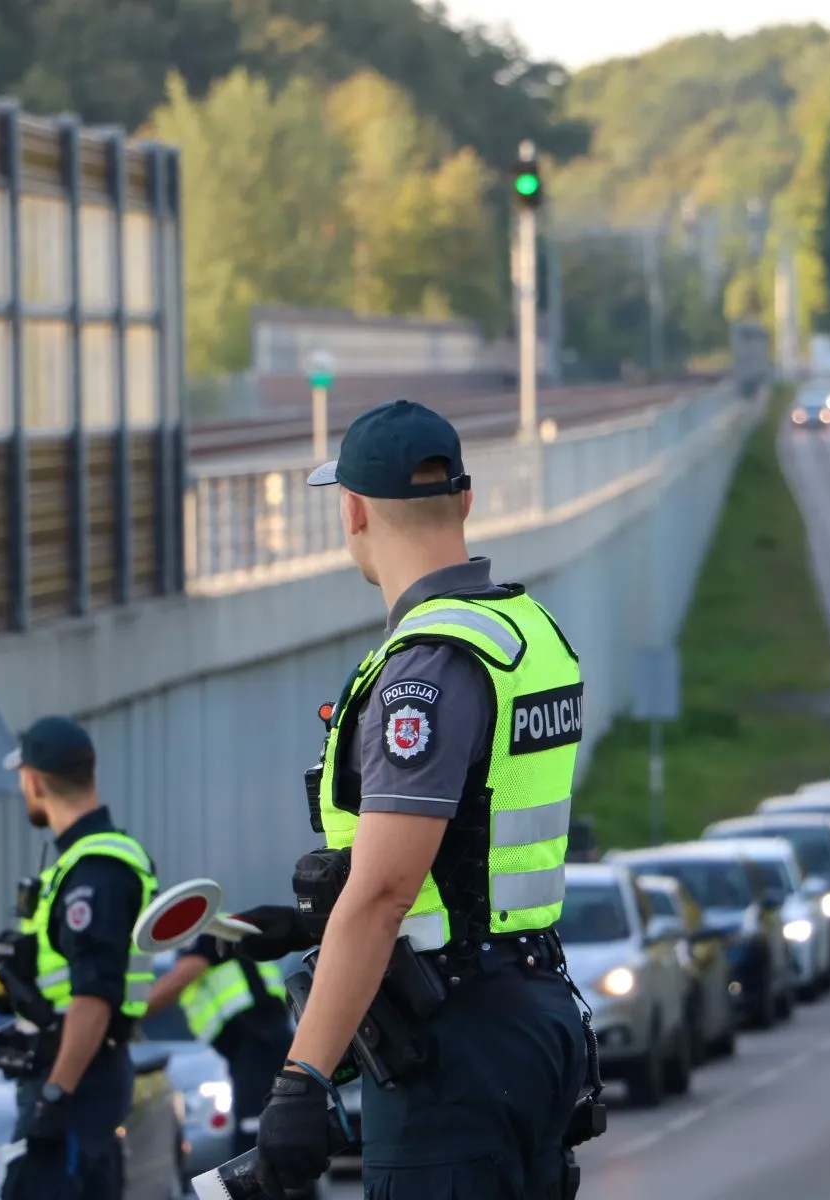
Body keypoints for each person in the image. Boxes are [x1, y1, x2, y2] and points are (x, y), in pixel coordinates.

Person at [233, 399, 598, 1199]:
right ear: (464, 500)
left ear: (353, 511)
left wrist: (302, 1077)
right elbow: (472, 853)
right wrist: (308, 923)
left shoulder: (427, 668)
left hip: (451, 1045)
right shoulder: (525, 632)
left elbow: (391, 888)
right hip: (530, 1010)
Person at [0, 715, 159, 1200]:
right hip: (76, 1077)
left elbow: (94, 994)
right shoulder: (78, 861)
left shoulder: (96, 869)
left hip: (77, 1082)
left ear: (34, 779)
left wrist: (56, 1094)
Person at [143, 932, 293, 1156]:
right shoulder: (224, 929)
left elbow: (181, 978)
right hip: (263, 1036)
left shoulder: (206, 933)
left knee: (254, 1126)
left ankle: (261, 1185)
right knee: (272, 1121)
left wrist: (129, 1016)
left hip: (257, 1038)